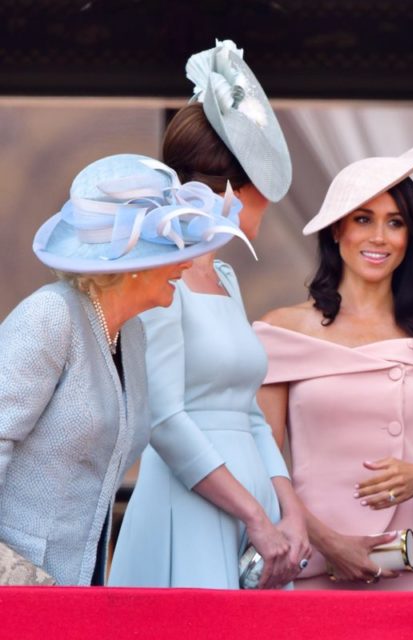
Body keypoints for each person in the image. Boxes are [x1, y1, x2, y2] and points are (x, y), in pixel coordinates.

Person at [109, 40, 307, 589]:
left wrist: (289, 510)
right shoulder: (157, 275)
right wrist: (255, 516)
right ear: (233, 190)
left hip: (255, 512)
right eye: (261, 186)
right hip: (189, 507)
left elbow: (246, 412)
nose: (269, 202)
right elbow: (166, 419)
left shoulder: (224, 277)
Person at [0, 152, 244, 585]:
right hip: (18, 588)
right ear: (130, 265)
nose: (187, 263)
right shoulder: (49, 316)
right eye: (173, 249)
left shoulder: (133, 337)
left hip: (79, 585)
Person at [254, 129, 413, 590]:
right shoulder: (281, 330)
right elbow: (263, 467)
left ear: (411, 236)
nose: (379, 237)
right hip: (312, 556)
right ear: (338, 230)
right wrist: (329, 542)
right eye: (363, 219)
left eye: (395, 222)